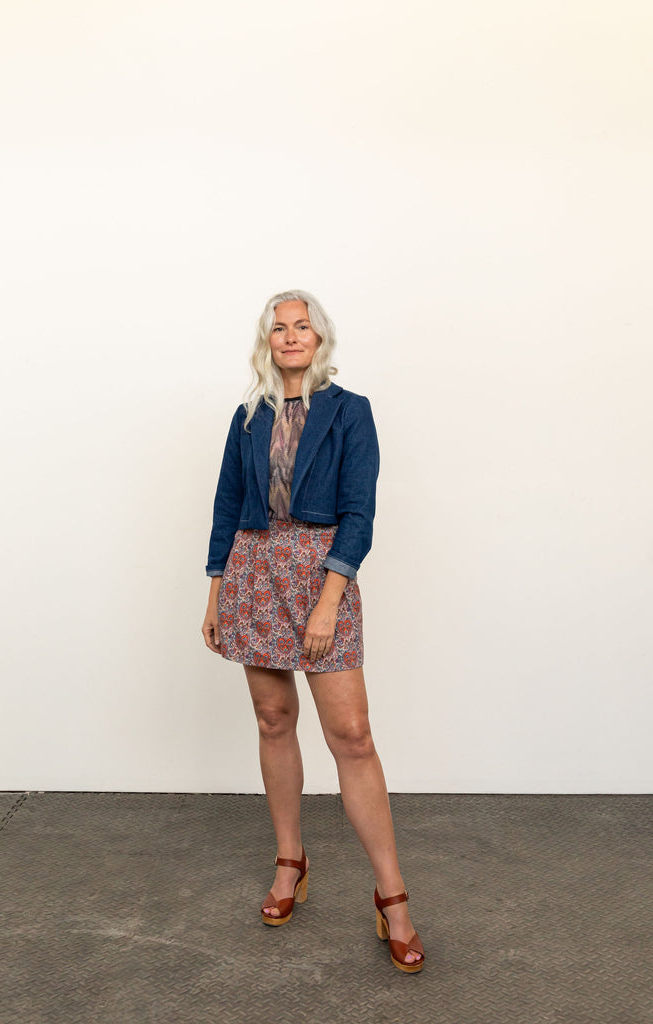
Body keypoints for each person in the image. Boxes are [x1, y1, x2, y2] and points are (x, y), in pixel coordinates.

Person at [202, 290, 424, 973]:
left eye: (302, 326)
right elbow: (227, 505)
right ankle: (290, 859)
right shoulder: (248, 416)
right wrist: (216, 593)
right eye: (279, 329)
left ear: (320, 339)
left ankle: (392, 896)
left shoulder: (350, 411)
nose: (291, 337)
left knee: (352, 735)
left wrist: (329, 602)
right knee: (273, 719)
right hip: (255, 570)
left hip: (321, 574)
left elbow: (359, 512)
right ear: (267, 342)